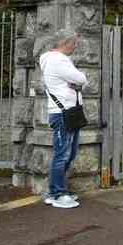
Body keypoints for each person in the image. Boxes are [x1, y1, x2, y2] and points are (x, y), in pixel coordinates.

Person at [40, 30, 88, 209]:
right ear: (65, 43)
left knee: (70, 153)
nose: (75, 46)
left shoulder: (57, 60)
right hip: (62, 113)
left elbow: (81, 81)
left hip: (69, 112)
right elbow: (81, 78)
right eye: (74, 43)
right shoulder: (57, 60)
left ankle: (58, 189)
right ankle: (56, 193)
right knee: (62, 155)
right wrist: (78, 81)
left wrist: (78, 82)